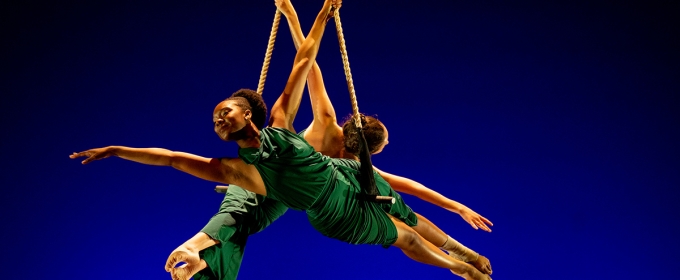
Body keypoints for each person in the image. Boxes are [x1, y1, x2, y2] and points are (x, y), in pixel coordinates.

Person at [70, 1, 491, 279]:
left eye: (226, 111)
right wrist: (115, 150)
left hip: (326, 191)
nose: (218, 116)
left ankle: (463, 256)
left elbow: (307, 63)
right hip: (292, 193)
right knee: (239, 210)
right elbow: (174, 158)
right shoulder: (313, 130)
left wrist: (317, 15)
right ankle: (198, 257)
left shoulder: (346, 161)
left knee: (401, 214)